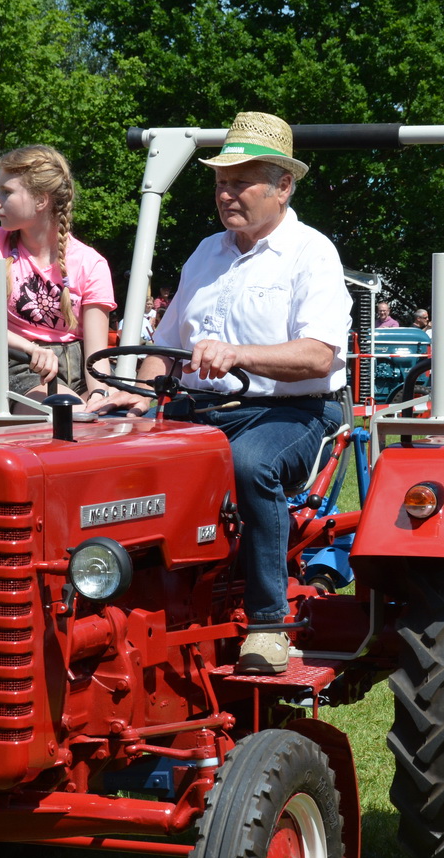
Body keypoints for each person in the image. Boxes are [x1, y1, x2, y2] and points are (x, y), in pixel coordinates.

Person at [87, 111, 350, 675]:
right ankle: (118, 600)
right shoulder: (205, 253)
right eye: (219, 182)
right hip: (202, 409)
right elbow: (168, 344)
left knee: (250, 464)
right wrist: (140, 392)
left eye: (241, 181)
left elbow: (318, 356)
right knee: (107, 454)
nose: (226, 193)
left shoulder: (312, 253)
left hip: (291, 411)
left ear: (283, 186)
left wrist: (241, 356)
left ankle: (269, 624)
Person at [0, 144, 116, 401]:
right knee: (67, 411)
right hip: (24, 364)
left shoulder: (91, 263)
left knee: (103, 421)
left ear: (41, 200)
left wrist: (100, 393)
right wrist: (31, 348)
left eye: (6, 192)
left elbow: (95, 355)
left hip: (80, 369)